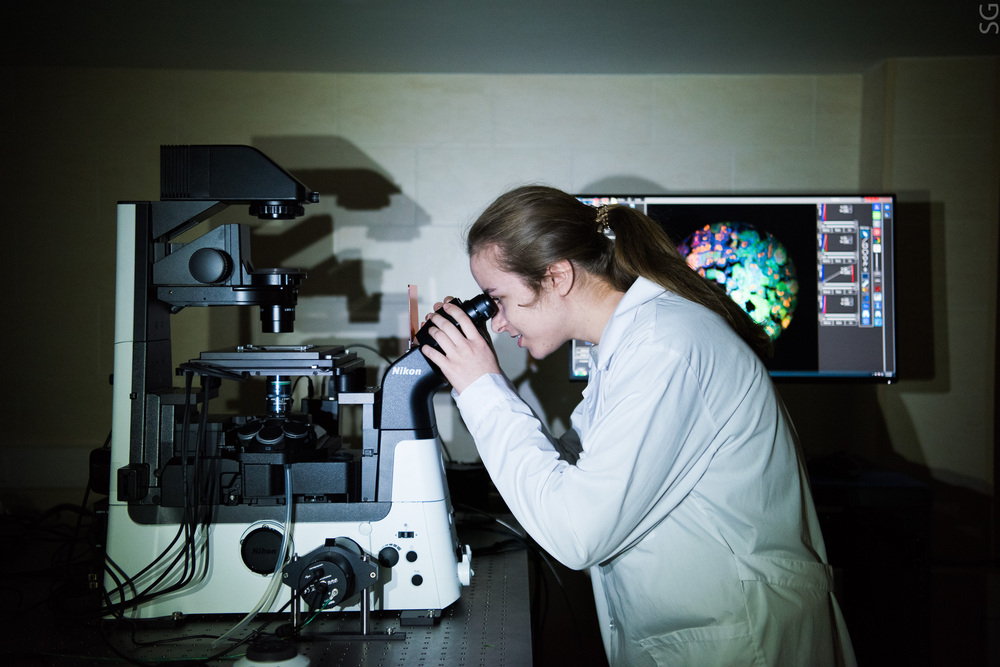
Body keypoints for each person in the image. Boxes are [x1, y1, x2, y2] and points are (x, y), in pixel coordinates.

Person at [420, 185, 856, 666]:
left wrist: (483, 390)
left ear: (557, 276)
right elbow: (575, 473)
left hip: (745, 641)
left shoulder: (664, 346)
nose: (498, 323)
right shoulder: (631, 347)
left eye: (497, 299)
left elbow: (577, 533)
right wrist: (476, 381)